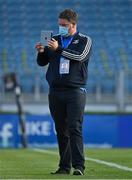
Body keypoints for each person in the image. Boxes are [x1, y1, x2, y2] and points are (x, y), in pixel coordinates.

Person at [35, 9, 92, 176]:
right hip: (55, 91)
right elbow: (42, 62)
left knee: (74, 127)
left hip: (75, 91)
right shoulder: (54, 40)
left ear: (73, 25)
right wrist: (41, 52)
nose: (60, 28)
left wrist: (58, 48)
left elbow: (79, 56)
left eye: (64, 25)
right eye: (59, 25)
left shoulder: (84, 40)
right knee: (61, 129)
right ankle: (64, 167)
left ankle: (79, 166)